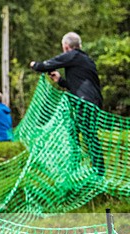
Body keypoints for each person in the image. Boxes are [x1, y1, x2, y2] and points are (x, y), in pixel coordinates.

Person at [30, 32, 104, 176]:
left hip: (85, 103)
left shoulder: (73, 55)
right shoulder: (85, 59)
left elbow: (45, 65)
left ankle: (99, 173)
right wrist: (60, 81)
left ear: (66, 47)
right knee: (73, 130)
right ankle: (76, 165)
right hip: (92, 101)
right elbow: (77, 84)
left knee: (89, 135)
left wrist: (35, 65)